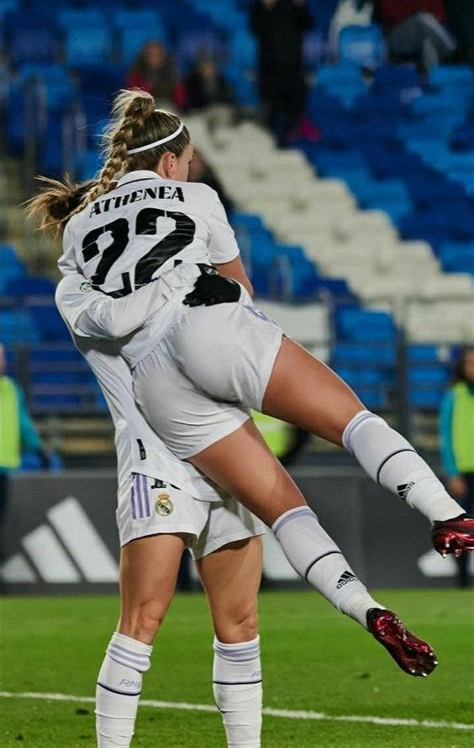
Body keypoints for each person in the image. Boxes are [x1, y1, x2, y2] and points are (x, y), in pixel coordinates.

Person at [28, 89, 474, 690]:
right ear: (169, 161)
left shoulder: (78, 226)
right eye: (187, 160)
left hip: (155, 386)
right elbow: (239, 288)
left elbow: (102, 316)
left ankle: (366, 607)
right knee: (353, 422)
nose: (190, 169)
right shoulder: (196, 196)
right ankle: (448, 516)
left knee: (283, 507)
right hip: (207, 326)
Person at [54, 273, 266, 748]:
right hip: (158, 464)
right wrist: (183, 275)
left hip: (227, 458)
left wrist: (233, 296)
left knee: (241, 623)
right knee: (144, 619)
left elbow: (246, 336)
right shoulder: (77, 286)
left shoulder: (191, 270)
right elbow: (115, 319)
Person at [0, 342, 49, 556]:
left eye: (2, 357)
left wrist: (39, 449)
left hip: (3, 466)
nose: (1, 362)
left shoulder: (11, 388)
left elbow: (23, 423)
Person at [249, 0, 315, 145]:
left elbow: (308, 24)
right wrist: (266, 6)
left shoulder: (293, 4)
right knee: (271, 113)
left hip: (293, 70)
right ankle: (268, 144)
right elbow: (255, 28)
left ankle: (291, 143)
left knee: (294, 112)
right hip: (270, 71)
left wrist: (300, 5)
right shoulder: (260, 5)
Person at [439, 346, 474, 588]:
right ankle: (462, 581)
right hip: (464, 472)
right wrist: (452, 472)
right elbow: (446, 437)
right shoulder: (454, 395)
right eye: (470, 363)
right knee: (464, 529)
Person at [365, 0, 456, 72]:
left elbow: (440, 13)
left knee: (428, 39)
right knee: (422, 19)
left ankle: (433, 79)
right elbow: (392, 16)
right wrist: (417, 13)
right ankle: (450, 46)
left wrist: (418, 12)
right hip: (396, 36)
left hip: (426, 29)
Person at [127, 41, 185, 109]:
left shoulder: (172, 74)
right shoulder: (137, 75)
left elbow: (181, 100)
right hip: (144, 112)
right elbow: (134, 99)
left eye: (157, 55)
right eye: (150, 55)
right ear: (144, 56)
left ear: (163, 56)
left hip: (169, 110)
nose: (154, 58)